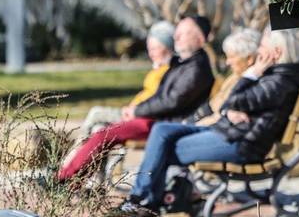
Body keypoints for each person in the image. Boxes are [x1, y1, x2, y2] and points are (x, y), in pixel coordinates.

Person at [123, 29, 299, 215]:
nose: (258, 51)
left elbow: (234, 100)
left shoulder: (278, 82)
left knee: (164, 147)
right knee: (162, 130)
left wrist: (251, 73)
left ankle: (142, 200)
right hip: (230, 133)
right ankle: (144, 198)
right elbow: (232, 103)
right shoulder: (278, 77)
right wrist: (230, 110)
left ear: (276, 53)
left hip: (241, 144)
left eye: (262, 46)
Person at [57, 13, 215, 181]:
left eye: (183, 33)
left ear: (200, 39)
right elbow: (162, 97)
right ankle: (83, 182)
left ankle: (63, 179)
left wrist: (137, 111)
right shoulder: (184, 64)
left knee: (102, 134)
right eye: (177, 32)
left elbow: (171, 101)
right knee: (100, 132)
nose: (176, 36)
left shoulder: (196, 69)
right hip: (157, 119)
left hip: (162, 124)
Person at [79, 21, 175, 135]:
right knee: (98, 129)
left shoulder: (169, 72)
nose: (151, 53)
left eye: (154, 49)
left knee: (96, 112)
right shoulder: (158, 69)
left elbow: (156, 101)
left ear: (168, 48)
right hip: (133, 112)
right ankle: (91, 151)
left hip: (139, 116)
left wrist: (134, 111)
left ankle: (77, 150)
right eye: (149, 49)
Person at [192, 28, 260, 125]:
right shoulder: (235, 75)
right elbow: (214, 104)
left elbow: (219, 116)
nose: (227, 62)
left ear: (249, 59)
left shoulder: (249, 83)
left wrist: (193, 126)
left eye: (232, 57)